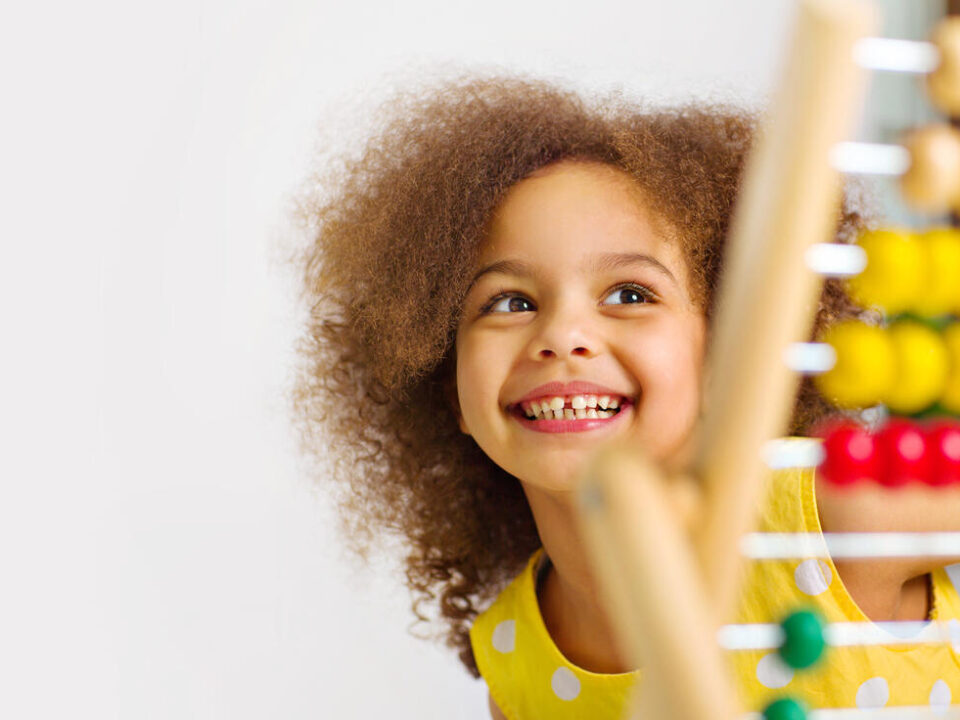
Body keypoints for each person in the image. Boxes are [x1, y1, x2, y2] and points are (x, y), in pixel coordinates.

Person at [286, 74, 960, 718]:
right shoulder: (517, 663)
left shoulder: (830, 517)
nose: (563, 336)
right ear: (451, 392)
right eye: (509, 301)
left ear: (726, 351)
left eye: (631, 295)